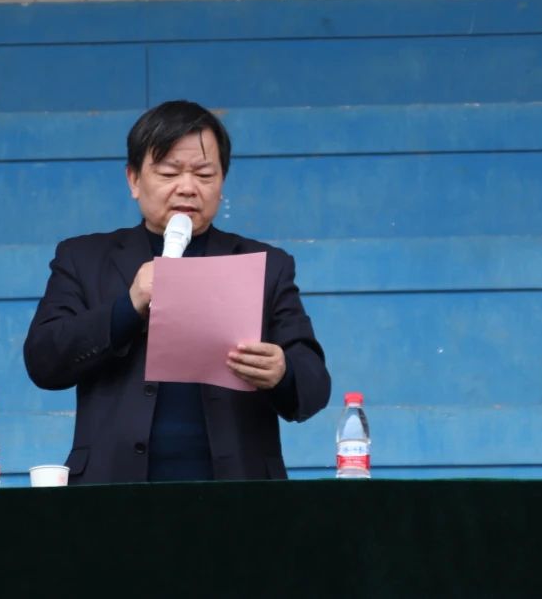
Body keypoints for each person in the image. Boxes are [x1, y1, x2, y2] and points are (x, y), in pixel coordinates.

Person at [24, 100, 332, 484]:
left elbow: (315, 385)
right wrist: (128, 307)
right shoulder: (84, 258)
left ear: (222, 182)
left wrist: (282, 372)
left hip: (239, 493)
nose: (187, 187)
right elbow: (44, 360)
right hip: (113, 491)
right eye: (169, 172)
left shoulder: (266, 264)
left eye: (204, 174)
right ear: (134, 180)